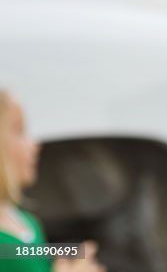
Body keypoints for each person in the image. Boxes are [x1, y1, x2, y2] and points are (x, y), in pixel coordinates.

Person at [0, 90, 104, 272]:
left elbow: (20, 253)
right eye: (19, 131)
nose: (34, 145)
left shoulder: (25, 222)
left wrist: (69, 257)